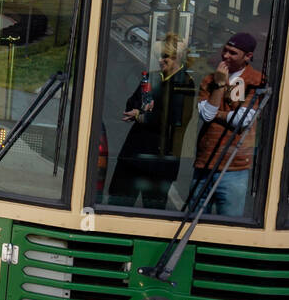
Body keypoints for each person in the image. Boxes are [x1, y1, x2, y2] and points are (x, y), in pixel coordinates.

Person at [105, 33, 195, 210]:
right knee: (118, 203)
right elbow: (131, 102)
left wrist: (140, 115)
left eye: (165, 57)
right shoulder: (152, 77)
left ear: (177, 57)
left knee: (153, 208)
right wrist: (139, 110)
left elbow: (172, 119)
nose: (161, 61)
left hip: (160, 159)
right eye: (159, 56)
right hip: (134, 154)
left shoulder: (184, 83)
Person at [192, 30, 265, 217]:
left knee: (229, 222)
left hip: (235, 167)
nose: (225, 56)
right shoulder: (211, 79)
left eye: (233, 53)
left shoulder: (256, 80)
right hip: (205, 164)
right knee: (195, 220)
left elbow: (243, 120)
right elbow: (207, 116)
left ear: (248, 56)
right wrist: (219, 85)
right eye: (225, 50)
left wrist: (218, 112)